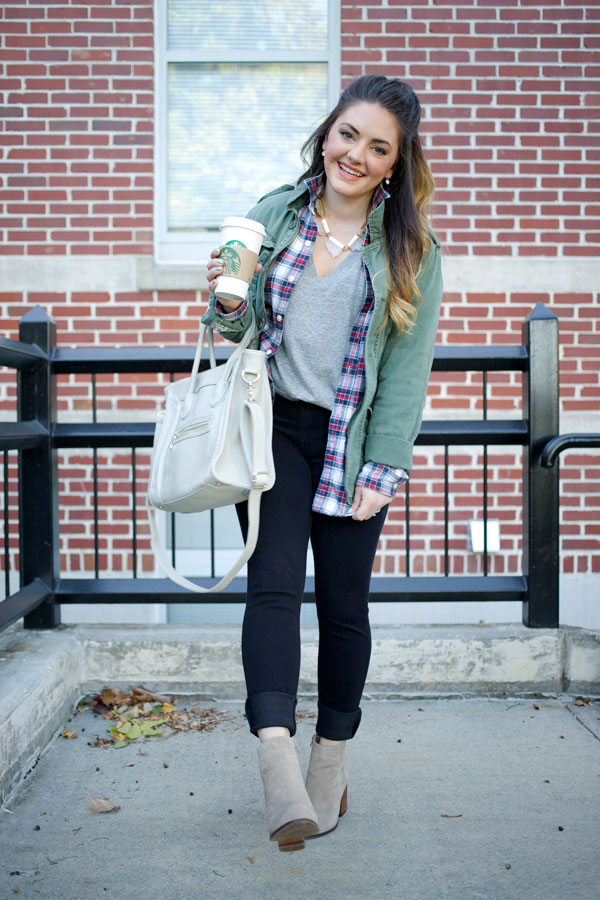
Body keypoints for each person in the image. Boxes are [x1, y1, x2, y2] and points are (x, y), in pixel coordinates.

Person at [202, 75, 443, 852]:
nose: (356, 154)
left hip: (350, 441)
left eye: (378, 147)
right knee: (272, 585)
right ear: (327, 133)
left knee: (343, 607)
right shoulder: (274, 213)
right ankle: (277, 764)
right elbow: (226, 319)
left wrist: (384, 468)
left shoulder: (411, 248)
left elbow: (406, 370)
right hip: (271, 425)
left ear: (394, 165)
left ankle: (330, 761)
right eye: (349, 135)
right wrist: (227, 300)